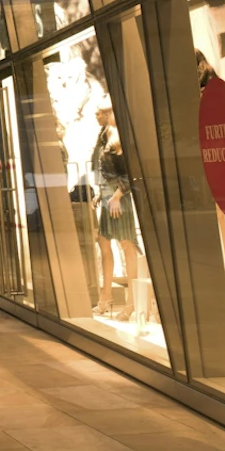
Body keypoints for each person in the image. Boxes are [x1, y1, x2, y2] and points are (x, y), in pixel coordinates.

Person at [91, 104, 142, 320]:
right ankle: (106, 296)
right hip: (108, 197)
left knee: (126, 246)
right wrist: (101, 194)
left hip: (117, 199)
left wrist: (117, 196)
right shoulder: (107, 136)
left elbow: (130, 173)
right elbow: (107, 172)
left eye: (102, 111)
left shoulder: (120, 140)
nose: (98, 115)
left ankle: (132, 303)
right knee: (104, 243)